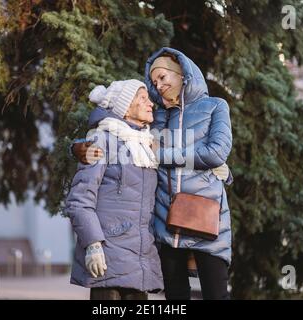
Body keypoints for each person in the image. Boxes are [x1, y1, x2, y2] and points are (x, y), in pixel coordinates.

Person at [71, 48, 233, 300]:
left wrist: (164, 155)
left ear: (182, 74)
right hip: (165, 225)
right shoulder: (155, 117)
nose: (158, 85)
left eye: (163, 77)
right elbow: (119, 124)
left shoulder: (215, 107)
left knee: (216, 295)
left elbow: (215, 153)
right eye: (154, 81)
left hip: (207, 219)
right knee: (176, 299)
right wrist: (80, 145)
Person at [64, 79, 163, 300]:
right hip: (108, 256)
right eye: (143, 98)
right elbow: (79, 199)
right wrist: (92, 244)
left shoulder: (147, 145)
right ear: (126, 107)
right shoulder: (101, 140)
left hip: (140, 259)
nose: (151, 104)